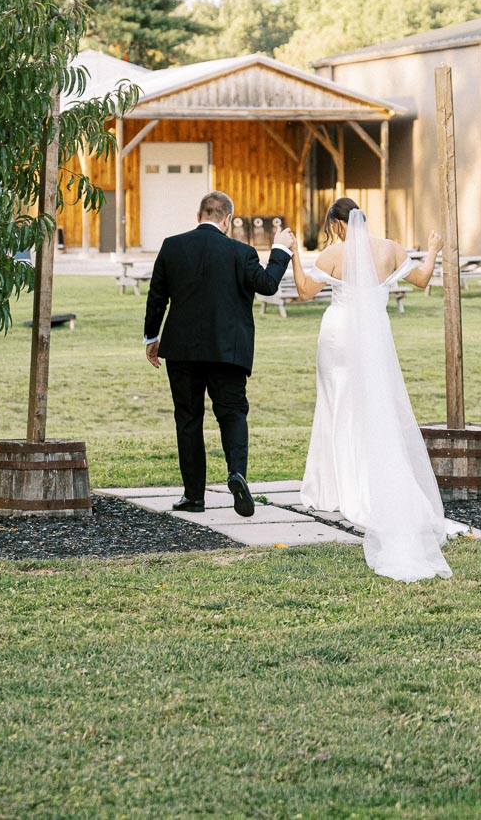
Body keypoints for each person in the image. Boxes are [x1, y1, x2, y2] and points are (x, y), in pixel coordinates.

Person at [291, 197, 463, 583]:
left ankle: (334, 487)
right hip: (376, 338)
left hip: (338, 337)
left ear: (337, 224)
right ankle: (370, 479)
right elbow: (420, 280)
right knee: (376, 408)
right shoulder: (390, 249)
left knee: (336, 405)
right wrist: (433, 251)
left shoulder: (334, 254)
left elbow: (303, 291)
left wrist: (292, 255)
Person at [144, 190, 295, 518]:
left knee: (188, 419)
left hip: (181, 350)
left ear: (199, 216)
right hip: (228, 350)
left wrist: (151, 337)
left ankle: (193, 497)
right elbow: (269, 285)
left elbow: (157, 297)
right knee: (232, 413)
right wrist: (282, 248)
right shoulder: (242, 252)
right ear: (227, 219)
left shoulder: (172, 246)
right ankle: (236, 472)